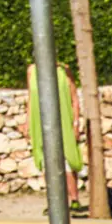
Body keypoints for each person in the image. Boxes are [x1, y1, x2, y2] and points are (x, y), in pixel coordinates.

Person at [26, 61, 81, 208]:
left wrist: (76, 123)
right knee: (45, 161)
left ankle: (74, 199)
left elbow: (74, 99)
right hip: (40, 122)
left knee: (68, 158)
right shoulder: (32, 70)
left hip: (63, 120)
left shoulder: (64, 70)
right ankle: (54, 202)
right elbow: (31, 98)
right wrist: (28, 123)